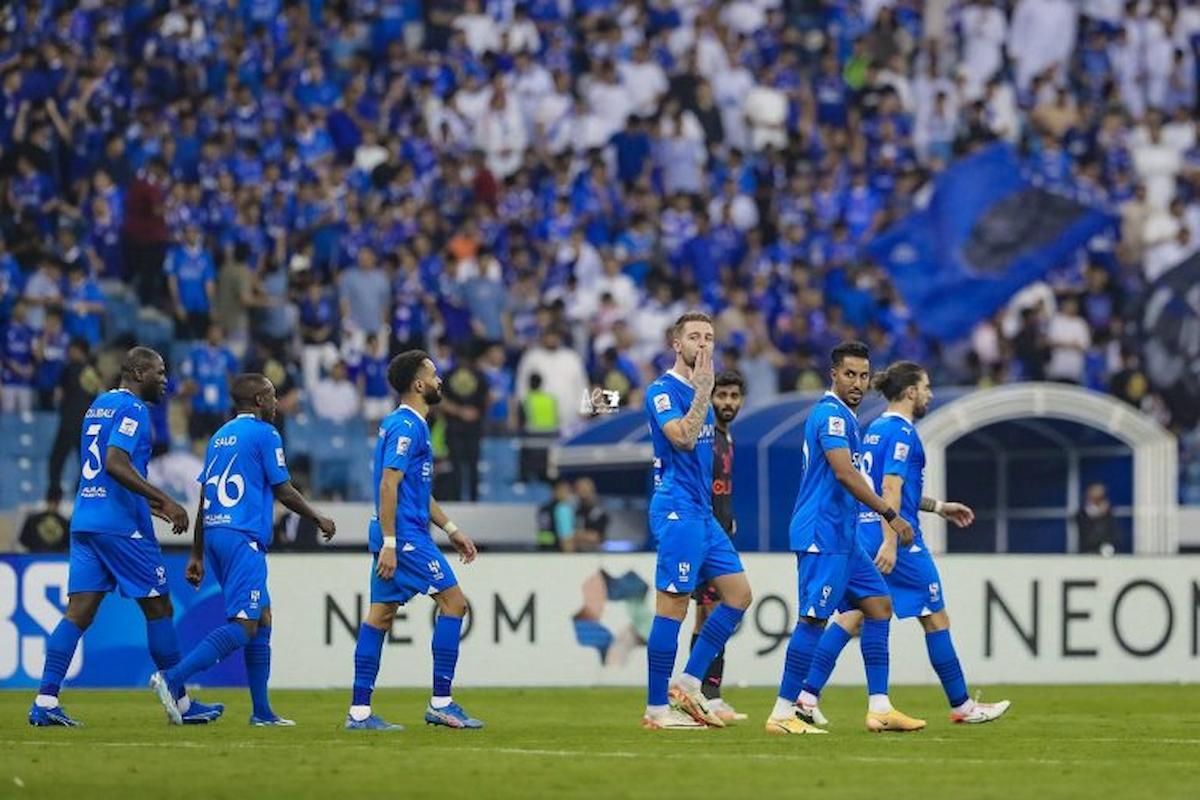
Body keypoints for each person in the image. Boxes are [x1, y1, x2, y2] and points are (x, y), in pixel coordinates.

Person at [801, 361, 1010, 728]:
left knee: (853, 616)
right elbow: (891, 489)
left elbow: (893, 489)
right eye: (926, 386)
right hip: (898, 539)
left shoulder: (875, 429)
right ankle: (962, 705)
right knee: (935, 616)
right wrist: (892, 542)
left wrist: (940, 507)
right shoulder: (902, 433)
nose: (929, 393)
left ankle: (806, 696)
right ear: (911, 391)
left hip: (865, 531)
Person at [28, 347, 221, 727]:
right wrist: (166, 498)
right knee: (160, 608)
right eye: (159, 372)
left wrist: (151, 505)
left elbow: (100, 471)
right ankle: (180, 702)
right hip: (121, 527)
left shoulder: (97, 406)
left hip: (86, 519)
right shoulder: (133, 408)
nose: (166, 379)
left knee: (78, 614)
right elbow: (116, 463)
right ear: (136, 372)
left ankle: (45, 701)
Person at [150, 373, 335, 726]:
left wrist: (196, 553)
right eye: (273, 395)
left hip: (218, 534)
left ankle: (262, 712)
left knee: (261, 618)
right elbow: (283, 490)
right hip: (242, 536)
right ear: (260, 400)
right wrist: (317, 517)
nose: (278, 402)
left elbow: (205, 498)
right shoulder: (265, 434)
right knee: (244, 626)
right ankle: (172, 679)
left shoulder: (219, 437)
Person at [768, 341, 922, 735]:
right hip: (822, 533)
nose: (857, 382)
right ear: (832, 374)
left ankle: (880, 708)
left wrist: (932, 507)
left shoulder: (849, 420)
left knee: (878, 605)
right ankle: (784, 711)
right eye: (849, 374)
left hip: (845, 535)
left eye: (863, 375)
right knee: (813, 619)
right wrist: (892, 514)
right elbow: (845, 474)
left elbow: (859, 478)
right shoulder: (832, 417)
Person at [344, 350, 483, 731]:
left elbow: (414, 491)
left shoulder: (406, 424)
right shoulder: (408, 426)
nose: (440, 381)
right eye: (434, 375)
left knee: (381, 615)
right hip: (404, 537)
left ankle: (359, 713)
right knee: (454, 603)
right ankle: (441, 702)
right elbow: (389, 483)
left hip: (401, 532)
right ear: (419, 384)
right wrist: (391, 541)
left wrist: (452, 529)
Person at [641, 311, 753, 730]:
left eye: (709, 337)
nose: (703, 344)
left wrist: (705, 391)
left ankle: (688, 682)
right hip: (676, 510)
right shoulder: (662, 391)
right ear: (677, 344)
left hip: (703, 514)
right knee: (673, 607)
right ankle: (655, 709)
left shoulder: (701, 393)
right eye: (694, 337)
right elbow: (683, 438)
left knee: (739, 595)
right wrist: (704, 390)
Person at [688, 369, 746, 723]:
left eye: (734, 397)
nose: (727, 403)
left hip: (720, 534)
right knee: (714, 614)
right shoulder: (706, 439)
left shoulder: (728, 438)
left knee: (706, 616)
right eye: (721, 395)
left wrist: (730, 518)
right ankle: (707, 693)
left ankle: (706, 693)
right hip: (705, 538)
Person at [440, 343, 490, 501]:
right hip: (472, 426)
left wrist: (459, 412)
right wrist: (475, 412)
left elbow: (441, 399)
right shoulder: (479, 374)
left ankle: (459, 499)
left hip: (455, 426)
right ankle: (473, 499)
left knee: (458, 465)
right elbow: (487, 398)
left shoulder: (448, 374)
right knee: (471, 465)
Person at [182, 323, 238, 443]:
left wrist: (231, 399)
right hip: (199, 403)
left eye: (218, 332)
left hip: (220, 405)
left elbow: (234, 377)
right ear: (208, 333)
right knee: (196, 441)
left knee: (219, 441)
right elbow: (187, 377)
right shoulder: (196, 352)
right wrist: (187, 400)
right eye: (213, 331)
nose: (215, 335)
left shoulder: (227, 354)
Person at [18, 487, 70, 553]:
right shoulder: (65, 523)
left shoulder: (32, 520)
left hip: (35, 559)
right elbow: (68, 545)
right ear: (60, 501)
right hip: (57, 560)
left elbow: (23, 541)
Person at [1078, 482, 1118, 556]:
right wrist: (1098, 513)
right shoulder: (1083, 512)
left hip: (1106, 547)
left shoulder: (1108, 512)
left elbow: (1112, 530)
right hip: (1088, 548)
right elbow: (1084, 527)